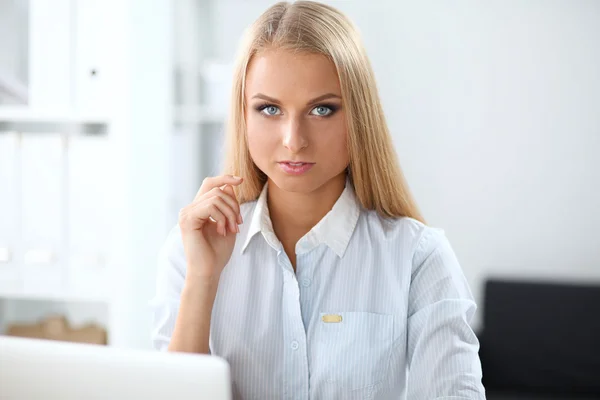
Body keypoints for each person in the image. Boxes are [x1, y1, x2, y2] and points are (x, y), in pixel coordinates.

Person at [152, 1, 486, 399]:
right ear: (243, 115)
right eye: (269, 108)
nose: (294, 140)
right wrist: (203, 280)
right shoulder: (191, 251)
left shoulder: (418, 258)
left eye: (322, 109)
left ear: (358, 116)